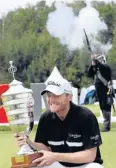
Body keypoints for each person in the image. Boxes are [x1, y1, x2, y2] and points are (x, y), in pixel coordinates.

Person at [15, 78, 103, 168]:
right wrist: (29, 142)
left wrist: (55, 156)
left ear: (69, 96)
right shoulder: (45, 118)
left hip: (85, 165)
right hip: (58, 164)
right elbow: (46, 148)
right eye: (49, 95)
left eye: (56, 95)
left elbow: (90, 156)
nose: (51, 100)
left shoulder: (86, 117)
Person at [87, 54, 112, 132]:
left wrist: (95, 60)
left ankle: (107, 125)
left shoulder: (106, 67)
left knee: (106, 105)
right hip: (99, 89)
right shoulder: (97, 68)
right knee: (102, 105)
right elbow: (89, 74)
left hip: (105, 88)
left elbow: (102, 67)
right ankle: (106, 124)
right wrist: (92, 65)